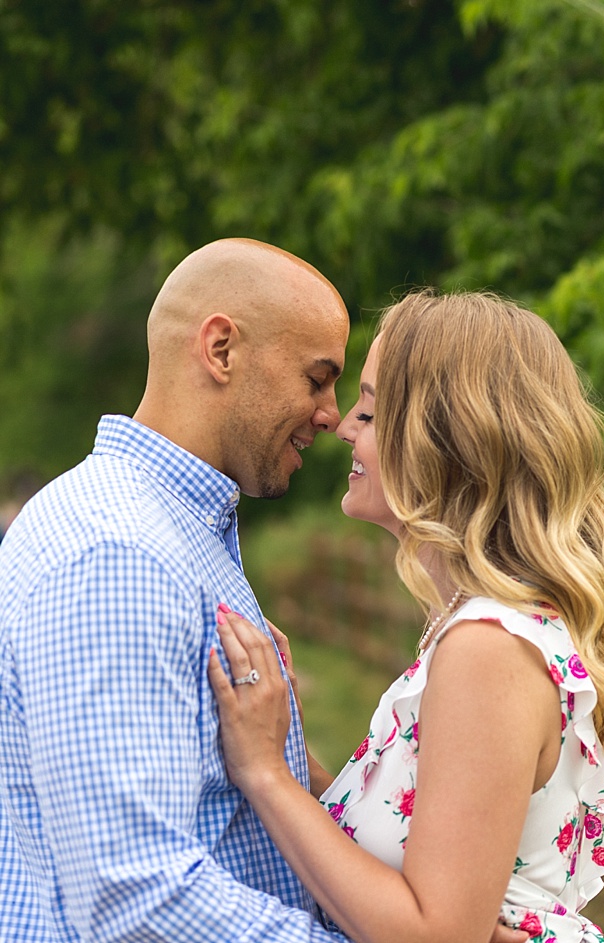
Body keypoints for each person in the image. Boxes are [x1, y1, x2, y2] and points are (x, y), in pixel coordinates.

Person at [205, 290, 604, 943]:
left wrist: (265, 774)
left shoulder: (487, 647)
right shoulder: (472, 627)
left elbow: (433, 934)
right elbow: (421, 857)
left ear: (448, 443)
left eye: (371, 411)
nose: (344, 425)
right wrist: (295, 753)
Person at [0, 238, 357, 941]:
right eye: (317, 378)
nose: (332, 415)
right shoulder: (118, 550)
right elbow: (132, 891)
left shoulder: (168, 528)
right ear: (220, 349)